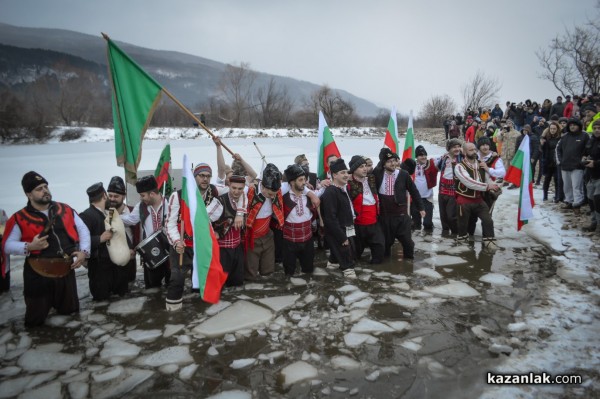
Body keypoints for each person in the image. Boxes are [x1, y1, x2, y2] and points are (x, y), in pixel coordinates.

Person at [2, 171, 90, 327]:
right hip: (38, 276)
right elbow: (7, 245)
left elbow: (83, 230)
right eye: (39, 189)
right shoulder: (19, 217)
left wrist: (84, 252)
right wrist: (29, 246)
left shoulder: (66, 209)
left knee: (71, 316)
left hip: (66, 272)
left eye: (46, 186)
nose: (45, 191)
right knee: (35, 320)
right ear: (29, 194)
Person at [80, 182, 129, 300]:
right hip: (99, 269)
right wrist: (99, 239)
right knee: (102, 303)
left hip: (116, 267)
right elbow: (79, 242)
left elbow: (121, 233)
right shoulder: (86, 215)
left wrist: (129, 248)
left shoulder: (110, 212)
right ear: (104, 196)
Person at [120, 176, 171, 289]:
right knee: (152, 287)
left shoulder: (170, 203)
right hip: (151, 251)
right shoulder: (141, 206)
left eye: (143, 195)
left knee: (171, 285)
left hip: (170, 250)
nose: (141, 198)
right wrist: (114, 217)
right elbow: (131, 220)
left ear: (152, 194)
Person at [373, 148, 424, 259]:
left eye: (394, 160)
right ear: (383, 163)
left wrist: (421, 208)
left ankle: (409, 265)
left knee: (408, 243)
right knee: (386, 243)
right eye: (389, 161)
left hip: (401, 215)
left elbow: (414, 191)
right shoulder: (377, 173)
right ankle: (385, 269)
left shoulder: (403, 174)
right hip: (385, 216)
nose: (393, 163)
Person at [244, 164, 285, 280]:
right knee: (250, 273)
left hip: (267, 236)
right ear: (263, 186)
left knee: (268, 270)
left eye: (275, 194)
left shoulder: (278, 191)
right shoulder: (250, 191)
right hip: (252, 238)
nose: (272, 197)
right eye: (270, 194)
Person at [454, 143, 500, 243]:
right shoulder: (459, 167)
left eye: (475, 149)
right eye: (471, 150)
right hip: (464, 201)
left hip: (479, 200)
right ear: (465, 152)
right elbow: (469, 182)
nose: (474, 152)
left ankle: (489, 244)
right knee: (463, 226)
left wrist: (495, 187)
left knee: (488, 221)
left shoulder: (481, 164)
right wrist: (487, 187)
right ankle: (464, 246)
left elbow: (487, 179)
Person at [207, 175, 248, 286]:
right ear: (229, 186)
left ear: (243, 188)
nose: (236, 191)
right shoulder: (219, 201)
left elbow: (244, 197)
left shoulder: (243, 197)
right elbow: (204, 218)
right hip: (223, 249)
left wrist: (240, 214)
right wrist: (212, 232)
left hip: (237, 247)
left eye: (240, 189)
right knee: (220, 283)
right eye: (234, 188)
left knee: (237, 281)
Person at [320, 159, 357, 278]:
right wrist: (342, 237)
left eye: (346, 172)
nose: (346, 175)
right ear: (334, 175)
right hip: (338, 231)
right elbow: (330, 218)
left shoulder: (344, 188)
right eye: (342, 172)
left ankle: (331, 270)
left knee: (338, 257)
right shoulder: (330, 192)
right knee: (348, 263)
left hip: (347, 227)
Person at [279, 165, 316, 276]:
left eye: (304, 179)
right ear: (291, 182)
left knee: (308, 269)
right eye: (300, 180)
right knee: (289, 271)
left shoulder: (309, 196)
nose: (304, 182)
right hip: (289, 240)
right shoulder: (283, 197)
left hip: (308, 238)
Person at [347, 155, 384, 264]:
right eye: (361, 167)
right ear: (354, 170)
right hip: (358, 224)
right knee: (355, 254)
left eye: (365, 166)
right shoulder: (348, 183)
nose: (365, 169)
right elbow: (335, 182)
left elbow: (384, 167)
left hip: (374, 221)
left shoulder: (371, 178)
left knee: (379, 250)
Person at [107, 176, 138, 284]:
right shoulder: (104, 213)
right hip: (109, 261)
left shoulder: (133, 211)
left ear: (123, 196)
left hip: (130, 258)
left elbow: (139, 233)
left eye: (116, 196)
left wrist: (135, 249)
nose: (112, 199)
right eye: (110, 195)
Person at [557, 118, 590, 213]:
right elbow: (558, 149)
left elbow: (588, 149)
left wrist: (583, 160)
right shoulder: (565, 136)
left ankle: (577, 204)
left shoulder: (584, 135)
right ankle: (569, 202)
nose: (572, 126)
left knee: (577, 186)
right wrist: (560, 161)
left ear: (579, 125)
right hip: (565, 165)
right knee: (567, 186)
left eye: (574, 125)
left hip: (577, 166)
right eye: (570, 125)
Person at [436, 139, 463, 235]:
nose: (457, 149)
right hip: (442, 188)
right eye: (454, 147)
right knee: (443, 215)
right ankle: (445, 234)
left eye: (458, 146)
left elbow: (474, 156)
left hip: (454, 189)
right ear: (449, 149)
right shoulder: (444, 158)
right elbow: (438, 167)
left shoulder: (462, 158)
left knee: (451, 216)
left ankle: (456, 233)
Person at [412, 145, 438, 231]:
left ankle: (428, 240)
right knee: (416, 224)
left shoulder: (432, 164)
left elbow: (442, 161)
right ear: (416, 157)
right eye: (420, 155)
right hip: (415, 199)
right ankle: (418, 242)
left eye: (424, 155)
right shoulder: (412, 165)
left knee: (427, 223)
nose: (423, 157)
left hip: (427, 199)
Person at [583, 119, 600, 233]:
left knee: (598, 200)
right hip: (591, 175)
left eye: (599, 128)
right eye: (595, 128)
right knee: (591, 199)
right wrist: (584, 158)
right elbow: (585, 152)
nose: (597, 130)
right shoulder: (591, 140)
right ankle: (594, 222)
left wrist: (596, 163)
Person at [540, 121, 562, 202]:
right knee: (547, 179)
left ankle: (557, 196)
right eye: (551, 129)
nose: (552, 130)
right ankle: (545, 195)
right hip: (548, 161)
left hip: (557, 162)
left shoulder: (560, 138)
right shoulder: (546, 138)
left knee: (557, 179)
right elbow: (542, 150)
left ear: (557, 129)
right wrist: (542, 144)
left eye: (554, 129)